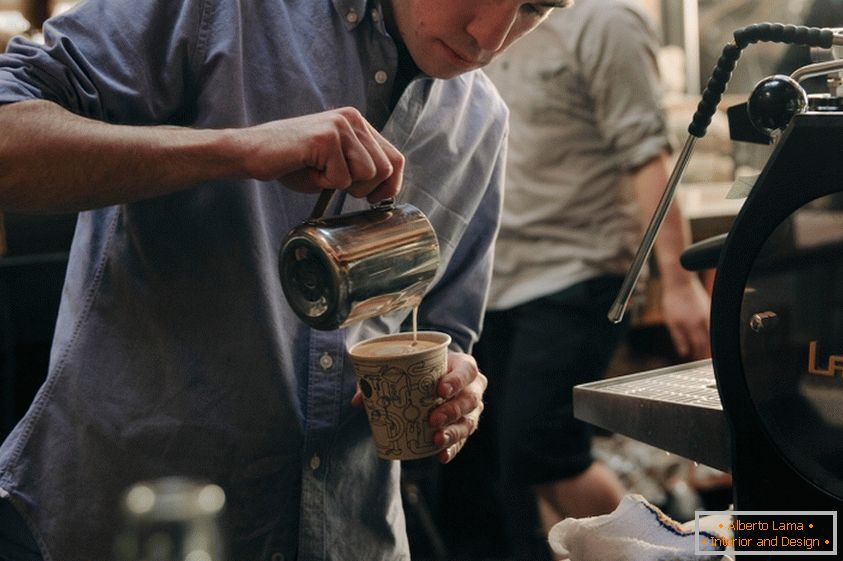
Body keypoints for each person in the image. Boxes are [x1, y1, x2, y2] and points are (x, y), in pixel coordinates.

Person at [0, 1, 573, 560]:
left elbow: (444, 328)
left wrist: (458, 389)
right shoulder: (218, 13)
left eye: (536, 7)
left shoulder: (480, 122)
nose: (490, 36)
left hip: (352, 536)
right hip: (141, 526)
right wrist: (237, 148)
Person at [456, 0, 712, 558]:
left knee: (543, 449)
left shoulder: (606, 22)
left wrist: (678, 281)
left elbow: (648, 158)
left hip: (580, 270)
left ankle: (674, 551)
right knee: (500, 462)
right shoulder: (478, 20)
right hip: (492, 280)